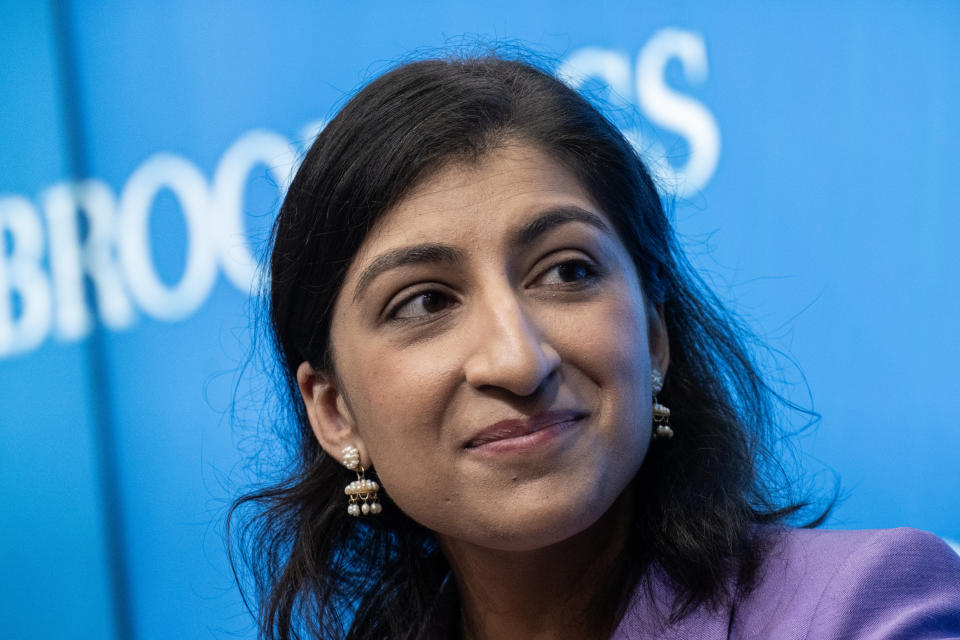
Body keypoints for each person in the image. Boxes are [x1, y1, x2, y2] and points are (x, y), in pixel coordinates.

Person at [229, 54, 960, 640]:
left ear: (652, 331)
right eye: (425, 302)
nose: (519, 360)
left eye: (566, 271)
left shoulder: (865, 609)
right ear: (335, 413)